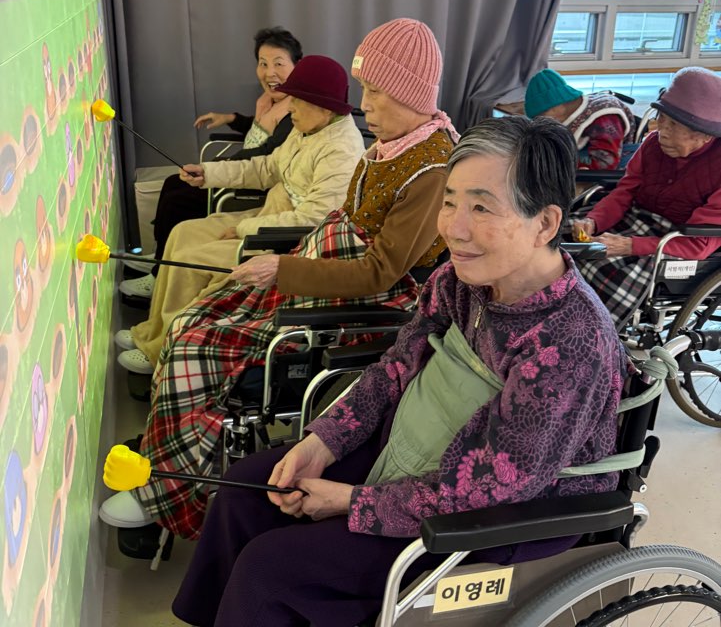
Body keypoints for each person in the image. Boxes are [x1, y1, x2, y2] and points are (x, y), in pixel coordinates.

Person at [169, 116, 630, 627]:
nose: (453, 228)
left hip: (498, 519)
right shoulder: (458, 282)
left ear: (544, 223)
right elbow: (394, 367)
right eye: (450, 202)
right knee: (244, 491)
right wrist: (322, 443)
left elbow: (492, 489)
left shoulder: (570, 341)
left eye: (481, 207)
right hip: (415, 450)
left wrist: (352, 502)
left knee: (270, 570)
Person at [98, 18, 460, 540]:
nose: (365, 106)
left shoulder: (432, 170)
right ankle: (169, 449)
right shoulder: (392, 145)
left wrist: (282, 267)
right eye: (364, 90)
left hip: (356, 303)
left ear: (411, 94)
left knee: (197, 346)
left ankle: (167, 493)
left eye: (376, 93)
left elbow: (381, 271)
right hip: (320, 269)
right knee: (193, 317)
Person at [115, 55, 365, 373]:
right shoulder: (307, 129)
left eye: (298, 101)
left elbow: (314, 220)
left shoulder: (342, 150)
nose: (290, 108)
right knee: (182, 233)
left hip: (285, 240)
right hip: (269, 215)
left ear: (325, 108)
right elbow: (267, 168)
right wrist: (209, 174)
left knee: (191, 263)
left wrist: (246, 228)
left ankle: (162, 353)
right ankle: (152, 332)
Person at [120, 26, 302, 299]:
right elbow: (258, 129)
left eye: (279, 64)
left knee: (178, 200)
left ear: (297, 66)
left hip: (253, 188)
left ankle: (159, 277)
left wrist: (219, 167)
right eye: (263, 64)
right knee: (172, 183)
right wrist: (230, 119)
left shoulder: (296, 110)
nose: (269, 72)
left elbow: (267, 153)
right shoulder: (271, 100)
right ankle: (161, 256)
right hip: (238, 172)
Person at [571, 66, 721, 327]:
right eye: (662, 118)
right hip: (637, 217)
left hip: (678, 240)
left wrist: (629, 245)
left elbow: (697, 244)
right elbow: (624, 192)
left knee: (597, 267)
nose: (662, 130)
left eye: (674, 125)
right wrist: (593, 221)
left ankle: (588, 334)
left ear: (704, 134)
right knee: (558, 236)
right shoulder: (652, 144)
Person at [524, 68, 636, 170]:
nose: (540, 122)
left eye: (540, 116)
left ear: (554, 108)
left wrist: (555, 166)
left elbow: (605, 164)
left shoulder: (603, 119)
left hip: (613, 164)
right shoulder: (571, 111)